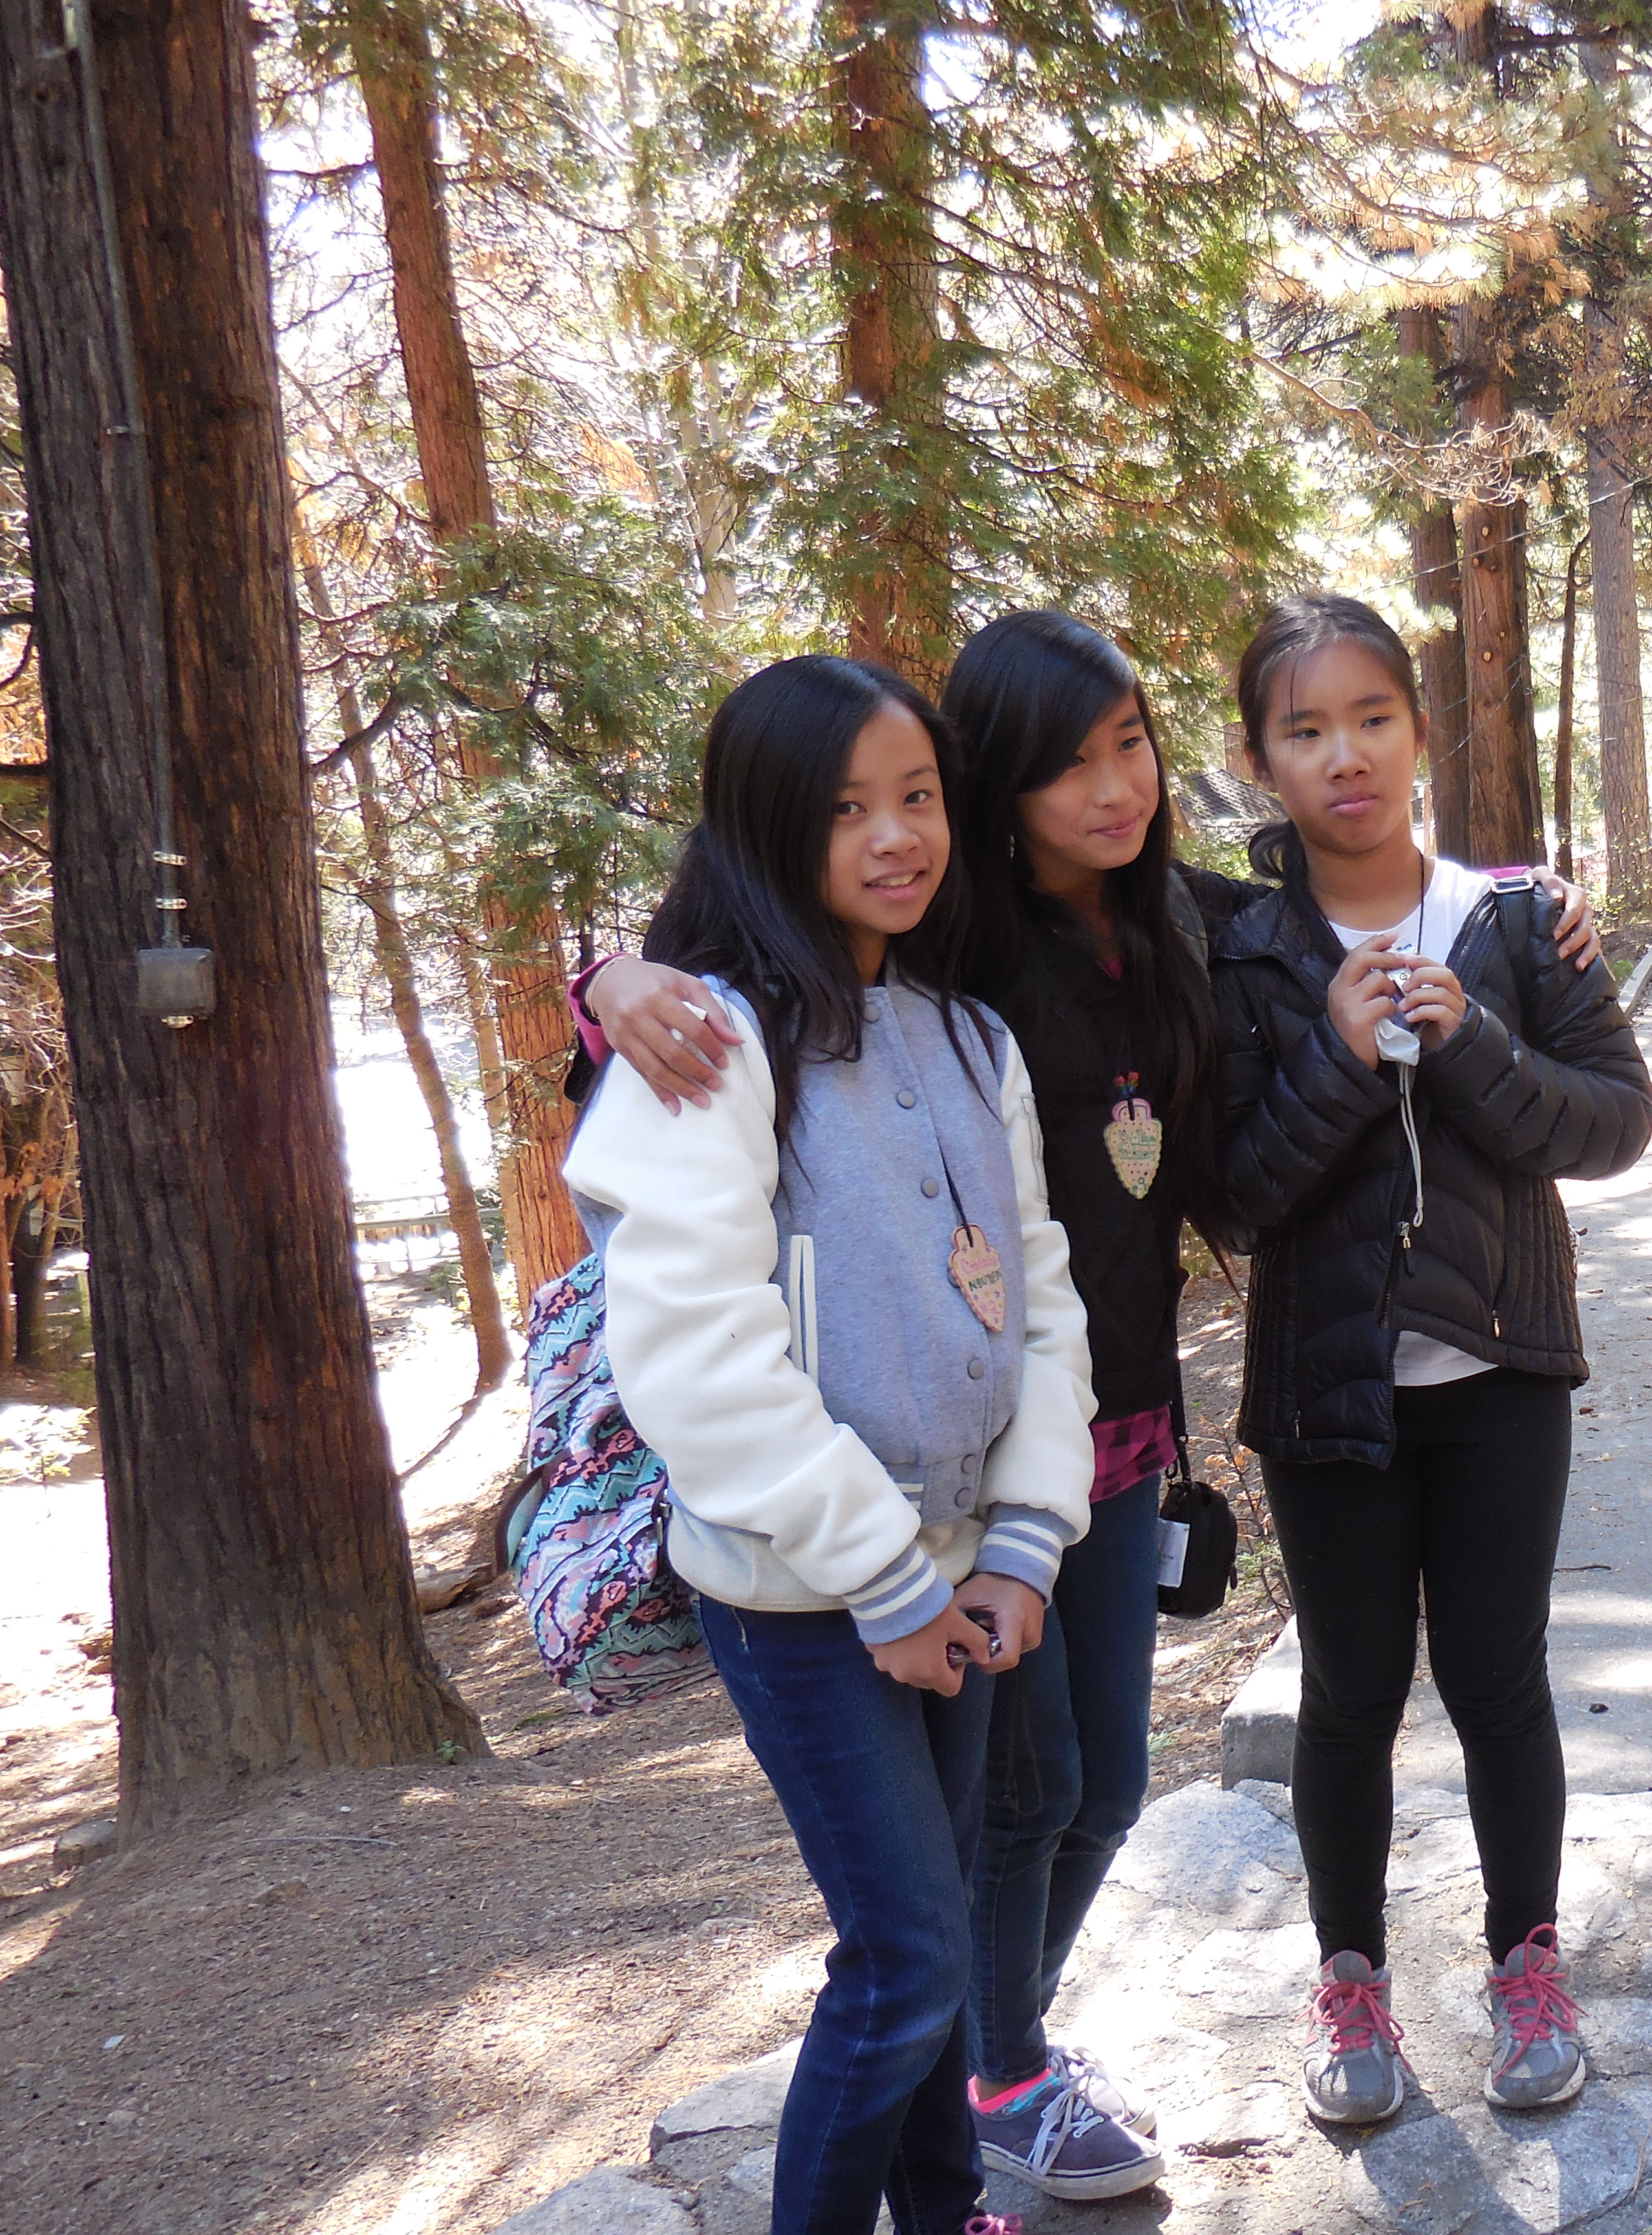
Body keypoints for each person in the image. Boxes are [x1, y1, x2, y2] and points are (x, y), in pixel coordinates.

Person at [575, 612, 1607, 2197]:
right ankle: (1004, 2067)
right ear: (1005, 782)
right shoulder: (955, 947)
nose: (1110, 789)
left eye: (1129, 743)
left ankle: (998, 2059)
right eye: (1063, 765)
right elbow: (747, 944)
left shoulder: (1186, 927)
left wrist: (1536, 907)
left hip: (1094, 1425)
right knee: (1014, 1810)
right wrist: (613, 973)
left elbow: (1351, 936)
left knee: (1097, 1785)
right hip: (937, 1472)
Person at [562, 654, 1095, 2235]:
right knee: (911, 1956)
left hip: (953, 1576)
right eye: (847, 806)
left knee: (917, 1955)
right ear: (768, 828)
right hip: (801, 1593)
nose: (894, 836)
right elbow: (700, 1359)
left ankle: (950, 2213)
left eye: (917, 797)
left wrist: (1018, 1548)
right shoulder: (707, 1054)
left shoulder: (968, 1041)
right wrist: (887, 1579)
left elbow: (1041, 1307)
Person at [1212, 592, 1652, 2127]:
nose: (1346, 756)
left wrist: (1473, 1039)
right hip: (1323, 1397)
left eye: (1373, 719)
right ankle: (1352, 1995)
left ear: (1421, 729)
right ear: (1262, 760)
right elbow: (1235, 1198)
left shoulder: (1519, 921)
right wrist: (1336, 1059)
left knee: (1497, 1680)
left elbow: (1615, 1124)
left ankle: (1526, 1968)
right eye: (1306, 730)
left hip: (1504, 1373)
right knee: (1346, 1695)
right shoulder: (1243, 951)